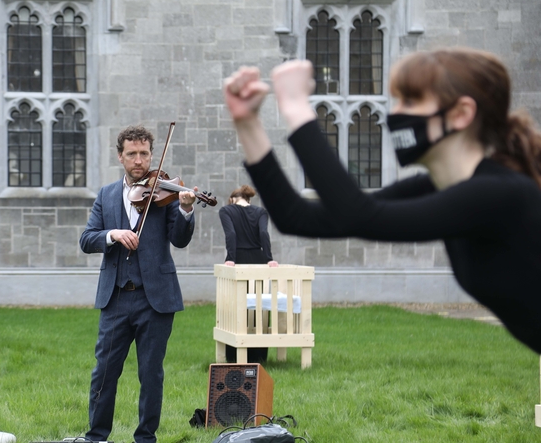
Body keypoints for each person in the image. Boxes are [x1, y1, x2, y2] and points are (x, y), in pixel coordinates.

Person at [222, 47, 541, 354]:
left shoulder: (500, 193)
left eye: (411, 100)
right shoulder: (440, 187)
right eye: (396, 99)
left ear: (461, 114)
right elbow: (298, 217)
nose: (395, 113)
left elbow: (359, 214)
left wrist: (298, 108)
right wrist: (248, 123)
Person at [79, 125, 196, 443]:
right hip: (116, 298)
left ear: (150, 155)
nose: (139, 160)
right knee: (104, 371)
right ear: (121, 156)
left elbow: (179, 240)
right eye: (132, 154)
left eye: (144, 154)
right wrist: (112, 234)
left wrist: (185, 208)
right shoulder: (106, 195)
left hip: (155, 299)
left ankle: (145, 438)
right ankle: (97, 436)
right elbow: (87, 239)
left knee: (151, 374)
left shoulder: (167, 193)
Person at [219, 185, 278, 363]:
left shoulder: (226, 210)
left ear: (232, 199)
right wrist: (269, 259)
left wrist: (231, 258)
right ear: (248, 199)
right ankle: (259, 355)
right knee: (258, 308)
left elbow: (231, 234)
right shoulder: (260, 212)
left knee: (235, 308)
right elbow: (263, 233)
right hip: (258, 261)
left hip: (238, 260)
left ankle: (234, 355)